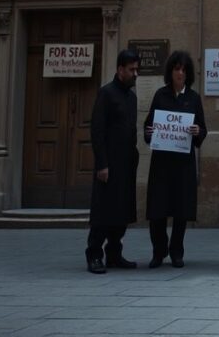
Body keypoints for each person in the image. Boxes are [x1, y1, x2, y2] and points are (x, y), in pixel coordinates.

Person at [143, 51, 207, 269]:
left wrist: (198, 131)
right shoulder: (160, 95)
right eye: (176, 69)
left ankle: (176, 251)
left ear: (188, 73)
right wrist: (149, 132)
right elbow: (148, 127)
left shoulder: (193, 98)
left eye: (183, 69)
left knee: (181, 210)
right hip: (161, 164)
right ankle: (158, 251)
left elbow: (202, 130)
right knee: (157, 211)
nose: (180, 73)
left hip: (183, 165)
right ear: (170, 72)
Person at [86, 50, 140, 274]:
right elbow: (97, 130)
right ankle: (94, 255)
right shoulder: (106, 93)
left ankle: (114, 254)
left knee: (121, 212)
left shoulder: (132, 97)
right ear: (120, 70)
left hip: (126, 165)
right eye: (131, 70)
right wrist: (102, 164)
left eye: (137, 69)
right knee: (103, 213)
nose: (135, 74)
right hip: (108, 165)